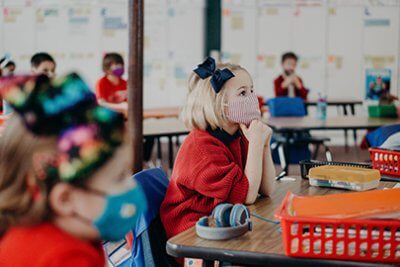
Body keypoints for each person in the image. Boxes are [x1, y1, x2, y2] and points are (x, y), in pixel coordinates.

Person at [0, 73, 147, 267]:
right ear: (65, 199)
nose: (133, 185)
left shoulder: (49, 235)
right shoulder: (65, 258)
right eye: (119, 178)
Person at [160, 57, 275, 241]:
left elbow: (267, 189)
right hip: (191, 235)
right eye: (242, 93)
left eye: (251, 90)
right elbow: (247, 195)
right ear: (219, 103)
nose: (252, 98)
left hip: (220, 221)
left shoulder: (237, 134)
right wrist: (255, 143)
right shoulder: (202, 149)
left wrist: (264, 144)